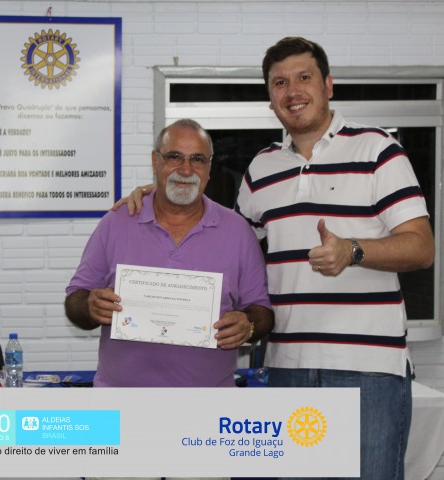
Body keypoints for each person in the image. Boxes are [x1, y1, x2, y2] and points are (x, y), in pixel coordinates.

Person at [118, 37, 435, 480]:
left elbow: (421, 247)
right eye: (280, 83)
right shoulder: (262, 169)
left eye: (304, 78)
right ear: (270, 99)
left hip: (368, 371)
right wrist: (162, 195)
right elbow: (225, 240)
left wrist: (353, 251)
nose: (292, 91)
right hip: (286, 368)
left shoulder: (378, 150)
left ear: (328, 85)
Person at [65, 119, 273, 390]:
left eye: (197, 159)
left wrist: (249, 325)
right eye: (175, 156)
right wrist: (89, 307)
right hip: (121, 401)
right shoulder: (117, 222)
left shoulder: (237, 231)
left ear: (209, 168)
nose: (186, 169)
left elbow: (262, 311)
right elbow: (75, 301)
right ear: (156, 161)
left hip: (208, 404)